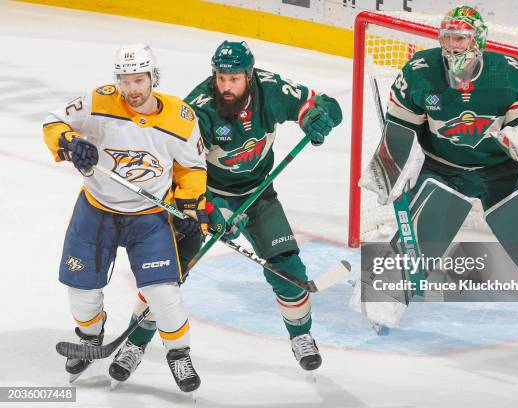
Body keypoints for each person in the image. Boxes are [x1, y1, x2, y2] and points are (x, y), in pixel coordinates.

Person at [107, 40, 342, 383]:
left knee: (287, 267)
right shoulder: (198, 109)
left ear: (249, 75)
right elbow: (179, 172)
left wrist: (321, 117)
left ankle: (301, 335)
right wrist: (210, 210)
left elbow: (320, 104)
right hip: (203, 197)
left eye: (234, 79)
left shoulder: (270, 89)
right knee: (165, 272)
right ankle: (135, 343)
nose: (226, 86)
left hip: (259, 194)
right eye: (221, 78)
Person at [356, 5, 518, 330]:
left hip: (500, 170)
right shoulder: (418, 73)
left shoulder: (507, 73)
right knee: (423, 229)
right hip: (442, 168)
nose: (453, 45)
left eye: (460, 38)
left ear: (478, 41)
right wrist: (390, 166)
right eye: (448, 37)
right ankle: (379, 308)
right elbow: (399, 129)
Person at [42, 43, 219, 393]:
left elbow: (192, 168)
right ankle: (91, 338)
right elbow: (53, 122)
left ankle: (178, 353)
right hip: (96, 210)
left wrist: (186, 204)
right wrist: (70, 141)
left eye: (139, 80)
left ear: (153, 78)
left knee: (163, 293)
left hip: (149, 217)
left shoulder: (180, 118)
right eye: (125, 81)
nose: (132, 89)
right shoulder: (99, 100)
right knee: (81, 288)